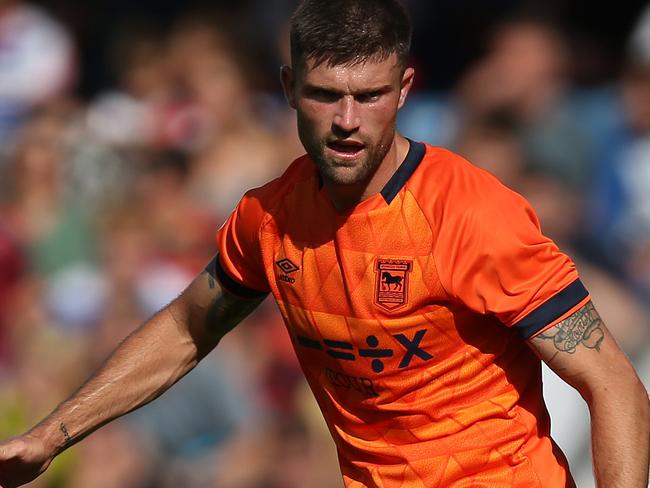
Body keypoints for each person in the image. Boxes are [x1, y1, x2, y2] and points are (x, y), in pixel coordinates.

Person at [0, 1, 648, 486]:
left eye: (368, 97)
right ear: (287, 90)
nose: (346, 122)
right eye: (324, 95)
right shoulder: (269, 217)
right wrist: (53, 434)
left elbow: (614, 384)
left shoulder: (474, 216)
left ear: (405, 90)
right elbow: (184, 330)